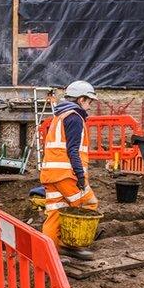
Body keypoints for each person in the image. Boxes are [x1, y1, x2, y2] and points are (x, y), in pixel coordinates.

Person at [40, 81, 101, 261]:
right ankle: (73, 246)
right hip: (67, 175)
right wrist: (80, 176)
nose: (90, 105)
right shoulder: (74, 117)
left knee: (54, 213)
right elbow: (73, 150)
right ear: (81, 99)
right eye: (89, 101)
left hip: (51, 174)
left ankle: (49, 253)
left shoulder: (59, 116)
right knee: (88, 204)